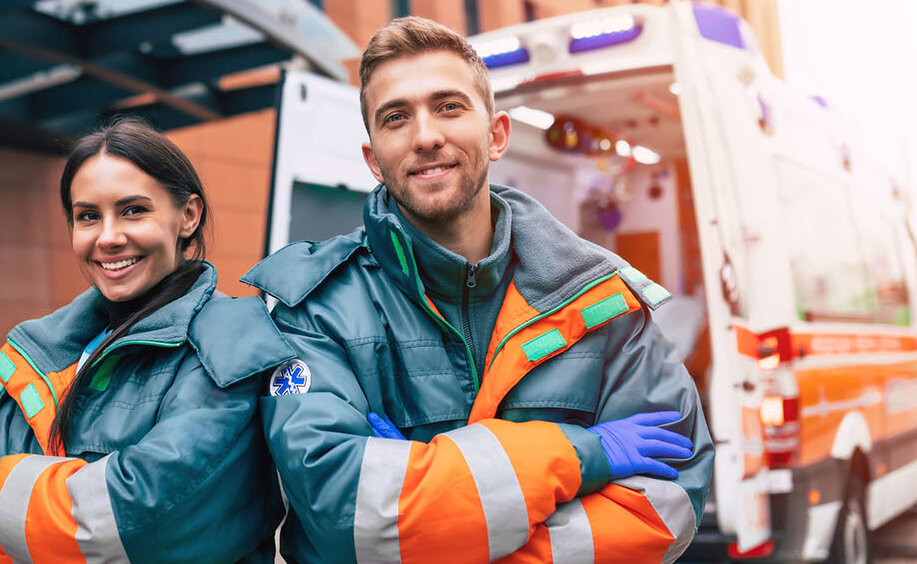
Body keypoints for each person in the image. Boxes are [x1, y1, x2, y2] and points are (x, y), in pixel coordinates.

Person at [242, 17, 713, 563]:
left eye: (449, 107)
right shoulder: (312, 308)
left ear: (496, 135)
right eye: (396, 118)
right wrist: (578, 454)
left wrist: (427, 501)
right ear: (373, 159)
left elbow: (665, 504)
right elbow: (341, 513)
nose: (425, 136)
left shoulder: (601, 301)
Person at [0, 118, 292, 563]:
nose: (108, 237)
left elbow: (146, 524)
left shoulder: (231, 341)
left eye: (133, 210)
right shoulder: (42, 350)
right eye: (88, 216)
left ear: (188, 215)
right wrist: (60, 519)